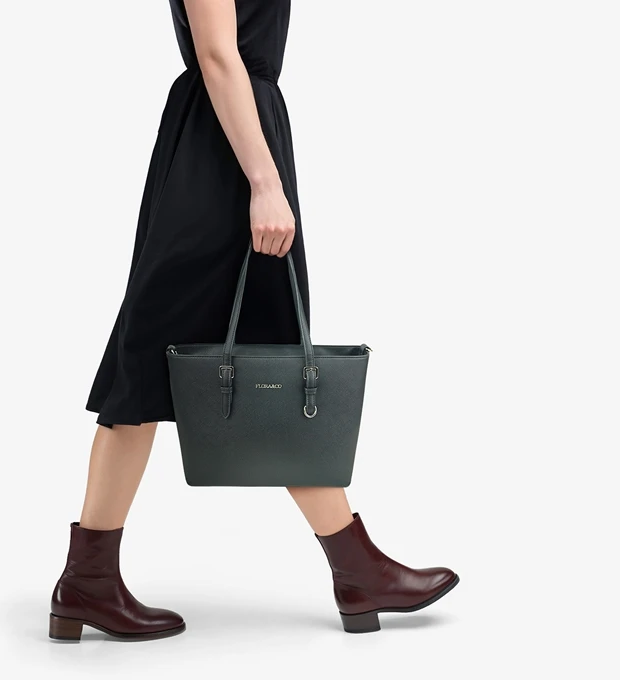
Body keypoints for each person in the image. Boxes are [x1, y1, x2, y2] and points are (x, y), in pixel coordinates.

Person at [49, 0, 458, 641]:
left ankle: (90, 581)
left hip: (237, 136)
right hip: (225, 149)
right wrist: (264, 184)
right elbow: (218, 53)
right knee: (175, 356)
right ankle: (356, 571)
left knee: (253, 354)